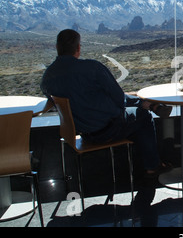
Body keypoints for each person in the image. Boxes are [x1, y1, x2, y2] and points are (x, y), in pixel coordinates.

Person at [41, 29, 172, 177]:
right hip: (107, 131)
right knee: (143, 117)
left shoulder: (47, 76)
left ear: (57, 47)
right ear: (78, 48)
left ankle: (147, 105)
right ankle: (152, 166)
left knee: (129, 111)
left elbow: (54, 99)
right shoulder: (92, 68)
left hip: (81, 134)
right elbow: (118, 99)